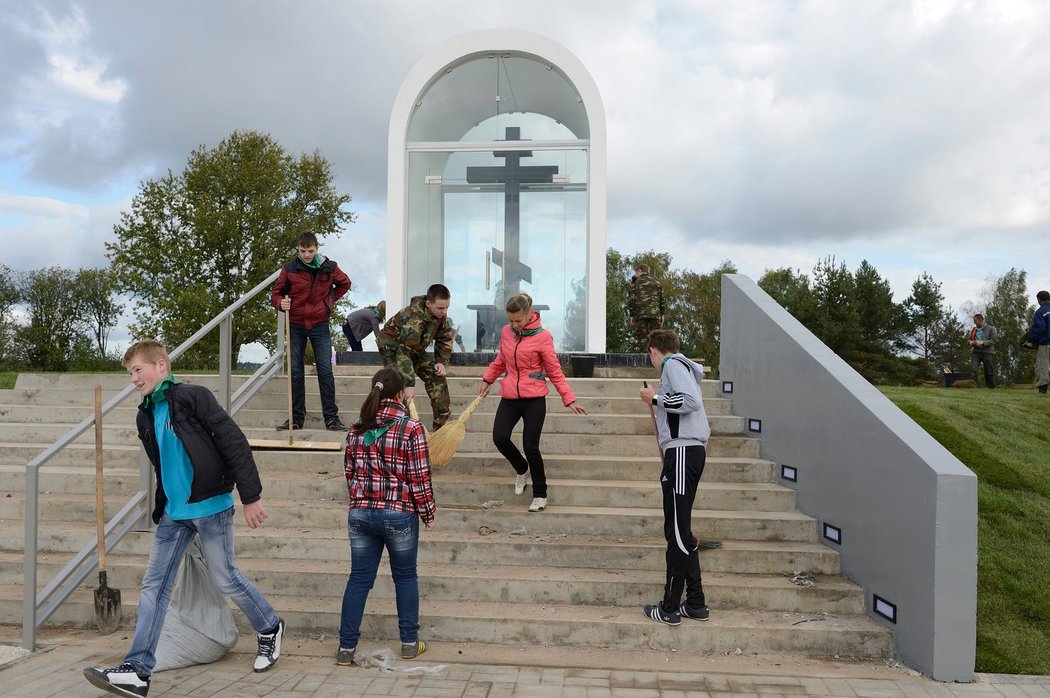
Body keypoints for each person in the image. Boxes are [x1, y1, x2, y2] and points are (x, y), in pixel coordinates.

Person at [84, 340, 285, 698]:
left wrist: (251, 496)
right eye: (129, 372)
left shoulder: (193, 397)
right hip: (175, 514)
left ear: (161, 365)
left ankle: (270, 627)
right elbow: (164, 465)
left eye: (137, 370)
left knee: (225, 578)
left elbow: (233, 442)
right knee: (154, 587)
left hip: (211, 506)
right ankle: (137, 671)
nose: (133, 379)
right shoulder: (144, 414)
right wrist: (162, 506)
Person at [337, 367, 436, 666]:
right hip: (398, 515)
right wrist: (428, 513)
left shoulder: (357, 427)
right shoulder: (411, 428)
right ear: (400, 394)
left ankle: (345, 649)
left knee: (358, 579)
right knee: (405, 577)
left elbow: (349, 472)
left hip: (361, 513)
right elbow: (419, 477)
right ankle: (409, 643)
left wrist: (361, 500)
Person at [478, 293, 587, 513]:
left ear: (529, 315)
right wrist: (488, 379)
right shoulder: (507, 333)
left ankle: (540, 494)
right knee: (499, 437)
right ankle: (521, 468)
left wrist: (569, 398)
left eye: (518, 320)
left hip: (534, 399)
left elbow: (555, 372)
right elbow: (501, 360)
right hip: (510, 396)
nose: (514, 325)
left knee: (531, 446)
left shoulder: (543, 337)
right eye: (510, 320)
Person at [638, 329, 710, 626]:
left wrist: (654, 398)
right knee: (682, 529)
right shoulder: (680, 367)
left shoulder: (672, 365)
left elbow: (690, 401)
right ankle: (695, 603)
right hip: (682, 453)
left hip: (683, 454)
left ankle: (669, 606)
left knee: (677, 533)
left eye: (650, 357)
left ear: (654, 351)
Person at [271, 231, 351, 431]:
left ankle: (331, 419)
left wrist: (328, 302)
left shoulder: (329, 267)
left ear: (317, 248)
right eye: (302, 250)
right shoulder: (289, 269)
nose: (306, 255)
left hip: (319, 325)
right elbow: (276, 294)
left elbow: (345, 283)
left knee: (325, 371)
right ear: (298, 249)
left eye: (310, 250)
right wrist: (281, 303)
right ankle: (296, 419)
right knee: (296, 373)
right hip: (296, 325)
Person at [377, 284, 454, 431]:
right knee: (397, 385)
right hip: (392, 348)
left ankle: (442, 430)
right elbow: (404, 353)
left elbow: (445, 337)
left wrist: (441, 362)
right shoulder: (413, 319)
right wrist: (409, 384)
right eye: (440, 308)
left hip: (415, 348)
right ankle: (397, 429)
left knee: (437, 377)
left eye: (447, 307)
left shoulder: (440, 315)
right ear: (428, 303)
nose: (444, 312)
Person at [628, 263, 665, 352]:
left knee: (643, 338)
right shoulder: (657, 283)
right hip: (655, 314)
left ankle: (645, 359)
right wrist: (662, 314)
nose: (636, 274)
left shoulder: (635, 283)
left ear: (640, 270)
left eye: (636, 272)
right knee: (656, 337)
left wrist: (632, 315)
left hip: (640, 314)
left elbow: (631, 300)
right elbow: (662, 300)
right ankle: (657, 357)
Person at [1025, 290, 1050, 394]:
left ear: (1039, 299)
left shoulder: (1041, 312)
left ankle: (1043, 389)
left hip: (1045, 343)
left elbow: (1039, 328)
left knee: (1043, 366)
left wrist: (1030, 340)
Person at [968, 314, 998, 388]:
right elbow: (969, 339)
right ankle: (974, 387)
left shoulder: (991, 329)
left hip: (987, 352)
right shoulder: (974, 330)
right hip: (976, 352)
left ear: (981, 320)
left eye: (975, 321)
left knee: (988, 371)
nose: (974, 322)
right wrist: (969, 342)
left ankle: (991, 387)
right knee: (973, 369)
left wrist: (982, 342)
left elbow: (993, 340)